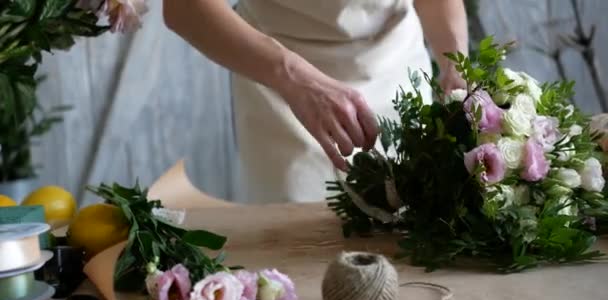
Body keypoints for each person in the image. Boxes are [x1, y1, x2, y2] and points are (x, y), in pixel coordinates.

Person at [163, 0, 468, 203]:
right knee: (296, 240)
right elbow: (183, 8)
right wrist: (293, 79)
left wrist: (455, 63)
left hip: (395, 62)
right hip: (280, 75)